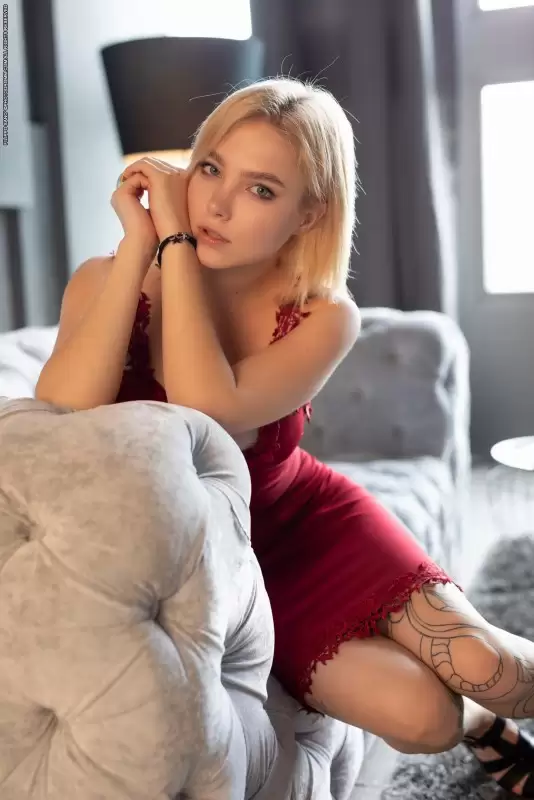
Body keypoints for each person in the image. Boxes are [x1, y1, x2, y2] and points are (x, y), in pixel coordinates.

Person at [36, 77, 534, 796]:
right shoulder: (104, 280)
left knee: (493, 669)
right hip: (228, 568)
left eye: (261, 189)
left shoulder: (324, 315)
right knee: (425, 720)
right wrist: (142, 247)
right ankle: (484, 729)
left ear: (310, 214)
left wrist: (174, 244)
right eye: (210, 168)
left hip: (307, 521)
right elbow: (60, 411)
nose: (217, 205)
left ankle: (490, 704)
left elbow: (209, 408)